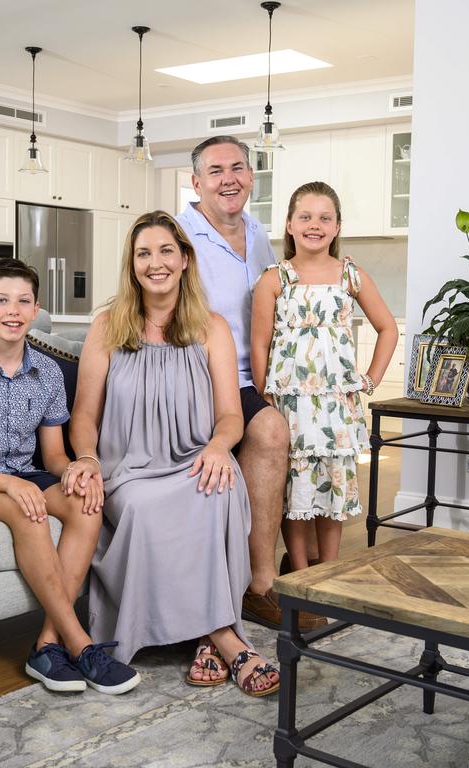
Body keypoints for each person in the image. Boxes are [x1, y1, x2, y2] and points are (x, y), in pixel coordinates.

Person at [70, 211, 280, 697]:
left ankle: (209, 635)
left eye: (166, 251)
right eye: (144, 253)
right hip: (130, 471)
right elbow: (84, 416)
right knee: (146, 508)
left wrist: (215, 448)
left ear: (185, 259)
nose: (155, 262)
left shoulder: (212, 327)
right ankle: (225, 637)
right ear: (132, 264)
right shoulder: (107, 327)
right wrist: (87, 458)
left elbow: (231, 414)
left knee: (219, 489)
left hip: (192, 456)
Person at [0, 258, 140, 695]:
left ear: (35, 308)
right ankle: (81, 644)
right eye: (1, 300)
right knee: (27, 510)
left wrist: (81, 469)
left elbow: (54, 456)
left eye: (23, 301)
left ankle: (47, 644)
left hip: (26, 475)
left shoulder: (47, 373)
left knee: (86, 502)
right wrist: (9, 483)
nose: (13, 310)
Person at [176, 135, 318, 630]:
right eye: (215, 171)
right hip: (198, 375)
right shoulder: (179, 234)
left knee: (302, 430)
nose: (228, 179)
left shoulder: (260, 235)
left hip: (258, 375)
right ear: (196, 182)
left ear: (252, 177)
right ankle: (259, 585)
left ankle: (285, 572)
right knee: (272, 431)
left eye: (237, 168)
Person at [251, 181, 399, 574]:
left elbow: (389, 328)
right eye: (305, 216)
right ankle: (299, 571)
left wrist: (369, 380)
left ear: (336, 227)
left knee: (334, 483)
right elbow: (260, 343)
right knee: (295, 486)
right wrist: (267, 398)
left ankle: (327, 571)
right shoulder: (274, 280)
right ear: (289, 224)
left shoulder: (351, 275)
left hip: (337, 405)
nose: (314, 225)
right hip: (290, 403)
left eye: (324, 218)